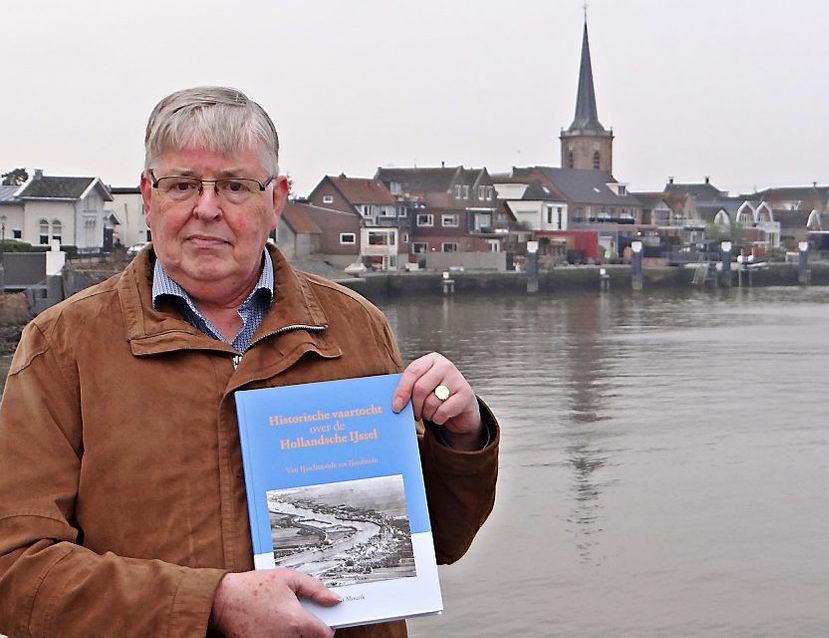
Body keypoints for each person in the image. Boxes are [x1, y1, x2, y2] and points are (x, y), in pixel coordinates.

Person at [0, 87, 498, 638]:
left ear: (277, 199)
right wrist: (209, 604)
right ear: (148, 196)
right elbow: (16, 570)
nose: (206, 207)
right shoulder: (62, 347)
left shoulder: (356, 328)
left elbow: (439, 544)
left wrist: (461, 437)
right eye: (182, 185)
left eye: (235, 186)